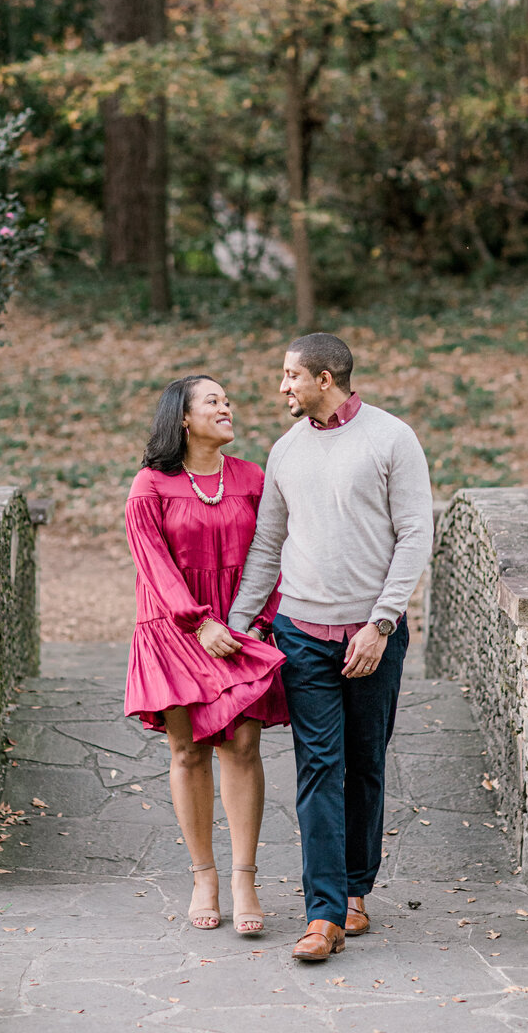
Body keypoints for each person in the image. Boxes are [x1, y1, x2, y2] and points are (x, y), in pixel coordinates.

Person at [228, 333, 433, 962]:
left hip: (374, 635)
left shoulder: (391, 438)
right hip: (302, 635)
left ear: (324, 378)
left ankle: (355, 890)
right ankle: (322, 915)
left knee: (365, 763)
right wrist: (239, 624)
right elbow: (267, 546)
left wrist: (381, 623)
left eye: (290, 375)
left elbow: (415, 533)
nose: (282, 387)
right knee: (319, 767)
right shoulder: (286, 451)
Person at [124, 375, 288, 935]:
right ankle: (204, 876)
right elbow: (152, 563)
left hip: (239, 622)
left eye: (226, 399)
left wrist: (258, 621)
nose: (227, 407)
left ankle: (245, 876)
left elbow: (274, 552)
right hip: (176, 625)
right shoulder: (149, 485)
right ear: (183, 419)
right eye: (213, 401)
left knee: (243, 746)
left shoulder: (251, 478)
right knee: (188, 749)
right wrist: (196, 624)